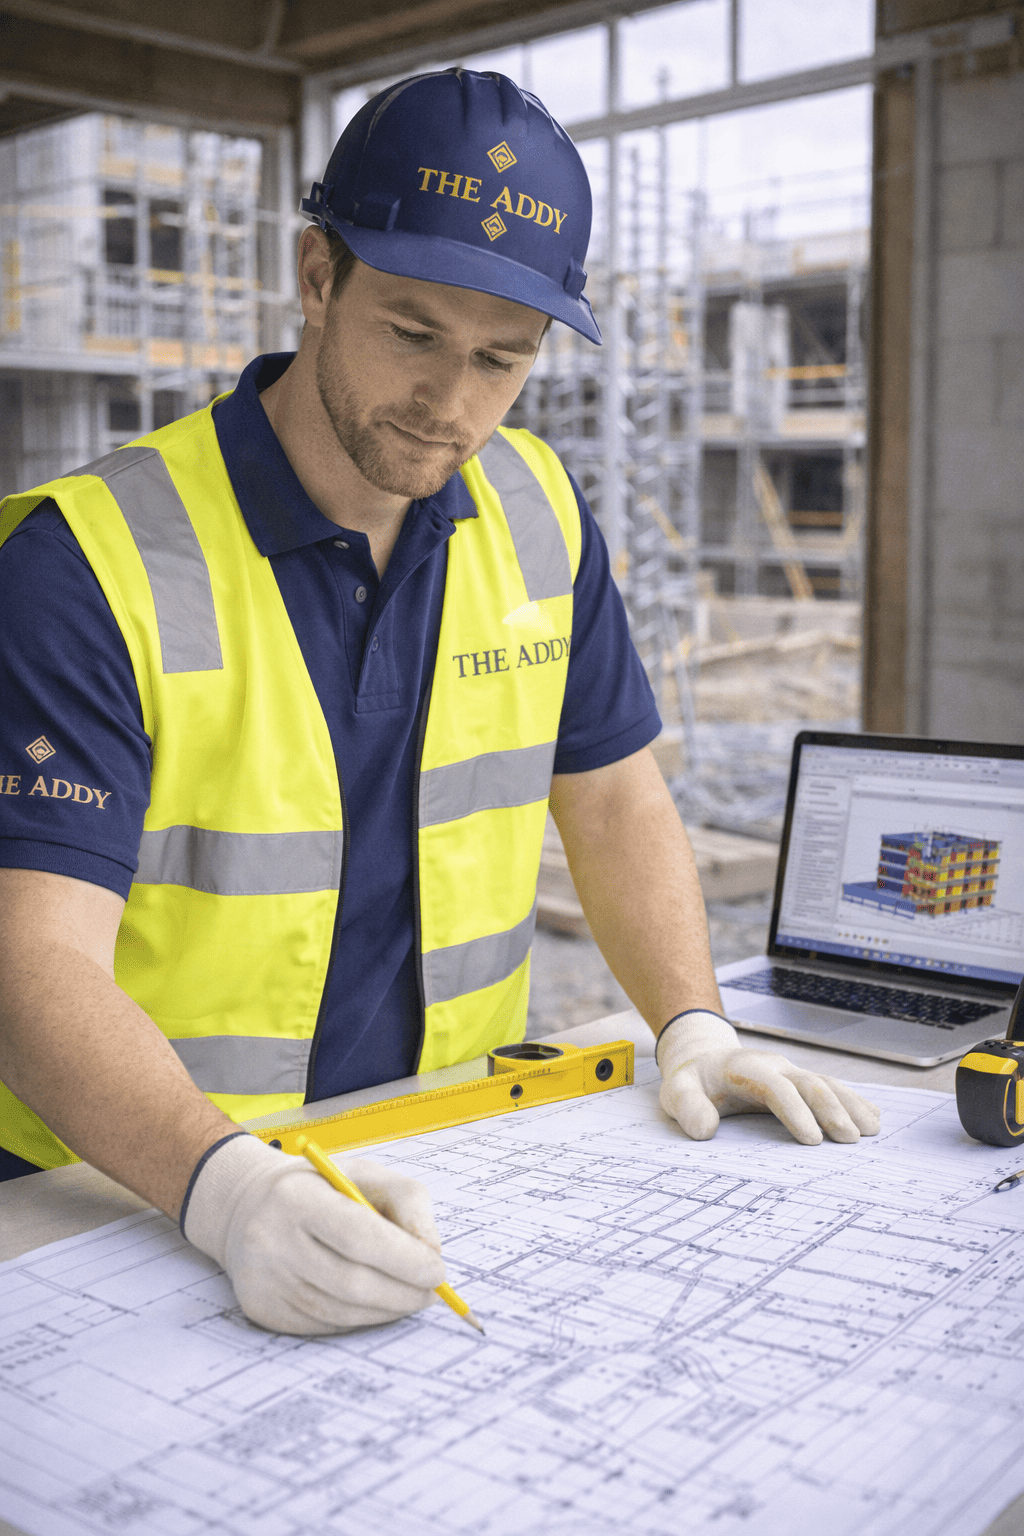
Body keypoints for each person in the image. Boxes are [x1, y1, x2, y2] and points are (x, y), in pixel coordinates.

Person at [0, 70, 878, 1336]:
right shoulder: (84, 565)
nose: (452, 405)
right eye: (411, 335)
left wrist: (691, 1025)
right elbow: (29, 962)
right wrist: (228, 1192)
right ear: (318, 276)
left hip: (438, 1167)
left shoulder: (533, 509)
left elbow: (617, 792)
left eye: (501, 360)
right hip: (111, 1202)